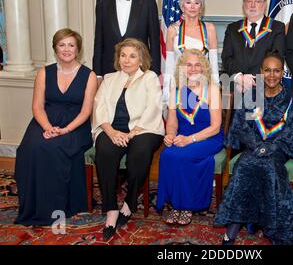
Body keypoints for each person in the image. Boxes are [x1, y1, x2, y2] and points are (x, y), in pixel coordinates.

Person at [214, 51, 293, 245]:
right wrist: (256, 145)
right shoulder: (252, 96)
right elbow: (244, 126)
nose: (271, 75)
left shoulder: (292, 100)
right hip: (253, 147)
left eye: (277, 71)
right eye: (267, 70)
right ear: (261, 71)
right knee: (244, 165)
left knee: (268, 166)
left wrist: (270, 147)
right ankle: (233, 229)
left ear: (283, 73)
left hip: (279, 149)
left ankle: (270, 223)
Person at [14, 28, 97, 226]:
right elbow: (37, 105)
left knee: (53, 147)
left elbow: (86, 111)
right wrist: (47, 127)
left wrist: (65, 129)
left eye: (71, 45)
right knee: (31, 147)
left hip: (75, 126)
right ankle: (33, 205)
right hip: (45, 121)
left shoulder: (89, 75)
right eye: (62, 45)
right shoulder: (44, 72)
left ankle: (57, 207)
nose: (66, 49)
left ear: (78, 50)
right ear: (55, 49)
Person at [92, 38, 164, 240]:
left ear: (141, 59)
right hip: (113, 129)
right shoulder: (109, 78)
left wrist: (131, 134)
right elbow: (99, 108)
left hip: (144, 129)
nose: (126, 60)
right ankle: (110, 209)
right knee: (105, 152)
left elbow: (153, 108)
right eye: (123, 55)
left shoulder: (149, 78)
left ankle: (130, 202)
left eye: (132, 56)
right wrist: (111, 131)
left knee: (138, 155)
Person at [157, 49, 223, 226]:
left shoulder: (213, 90)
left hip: (208, 138)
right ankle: (175, 204)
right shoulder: (177, 91)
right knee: (167, 154)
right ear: (182, 68)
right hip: (182, 136)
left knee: (183, 155)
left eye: (197, 65)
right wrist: (170, 135)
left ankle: (186, 206)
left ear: (203, 69)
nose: (193, 69)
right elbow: (172, 122)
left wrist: (190, 139)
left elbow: (215, 127)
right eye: (189, 65)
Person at [93, 0, 161, 78]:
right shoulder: (102, 3)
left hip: (140, 72)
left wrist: (154, 73)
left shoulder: (148, 3)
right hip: (110, 72)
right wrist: (97, 74)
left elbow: (155, 43)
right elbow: (98, 41)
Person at [221, 0, 285, 93]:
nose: (252, 5)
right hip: (237, 86)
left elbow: (276, 59)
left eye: (257, 1)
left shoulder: (277, 28)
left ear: (264, 4)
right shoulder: (232, 28)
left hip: (265, 86)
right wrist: (240, 77)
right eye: (248, 1)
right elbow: (227, 58)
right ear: (243, 4)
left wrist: (254, 80)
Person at [163, 0, 219, 107]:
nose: (192, 6)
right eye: (188, 2)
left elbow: (213, 63)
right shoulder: (173, 30)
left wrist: (215, 89)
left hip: (202, 84)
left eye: (197, 3)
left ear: (201, 7)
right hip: (179, 84)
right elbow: (169, 64)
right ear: (182, 6)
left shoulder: (209, 29)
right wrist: (167, 90)